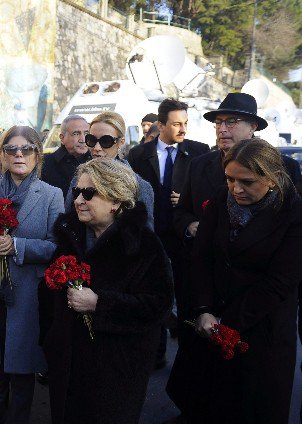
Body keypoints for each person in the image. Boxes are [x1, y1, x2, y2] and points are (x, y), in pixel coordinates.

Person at [167, 138, 302, 423]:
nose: (235, 189)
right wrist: (204, 310)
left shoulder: (294, 213)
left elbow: (279, 283)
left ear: (273, 178)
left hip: (261, 330)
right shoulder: (220, 198)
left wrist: (225, 324)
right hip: (210, 320)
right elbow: (202, 258)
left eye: (247, 182)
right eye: (230, 179)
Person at [43, 158, 173, 424]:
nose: (78, 199)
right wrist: (51, 340)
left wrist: (99, 303)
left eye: (89, 193)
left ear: (116, 200)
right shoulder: (71, 235)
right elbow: (47, 293)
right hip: (68, 364)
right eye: (77, 191)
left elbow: (158, 305)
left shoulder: (143, 244)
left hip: (117, 367)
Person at [0, 125, 64, 423]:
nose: (19, 154)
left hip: (26, 298)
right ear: (2, 155)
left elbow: (55, 246)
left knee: (22, 376)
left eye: (27, 149)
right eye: (11, 149)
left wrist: (17, 246)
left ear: (37, 155)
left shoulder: (51, 195)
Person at [128, 99, 210, 366]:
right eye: (176, 124)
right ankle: (155, 353)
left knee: (187, 298)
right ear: (160, 125)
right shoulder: (139, 155)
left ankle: (189, 359)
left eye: (185, 123)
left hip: (185, 240)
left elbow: (210, 195)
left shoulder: (200, 152)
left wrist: (187, 200)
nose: (183, 129)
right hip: (152, 236)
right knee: (153, 294)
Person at [174, 92, 302, 245]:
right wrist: (189, 225)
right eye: (218, 122)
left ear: (253, 127)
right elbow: (180, 212)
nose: (222, 129)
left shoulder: (286, 167)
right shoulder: (198, 165)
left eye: (231, 121)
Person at [64, 111, 155, 230]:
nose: (96, 148)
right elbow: (68, 223)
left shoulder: (139, 186)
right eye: (91, 140)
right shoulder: (79, 178)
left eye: (105, 141)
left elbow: (146, 236)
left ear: (121, 143)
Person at [41, 114, 91, 197]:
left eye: (86, 133)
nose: (83, 139)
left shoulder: (96, 161)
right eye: (76, 134)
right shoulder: (45, 163)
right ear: (62, 138)